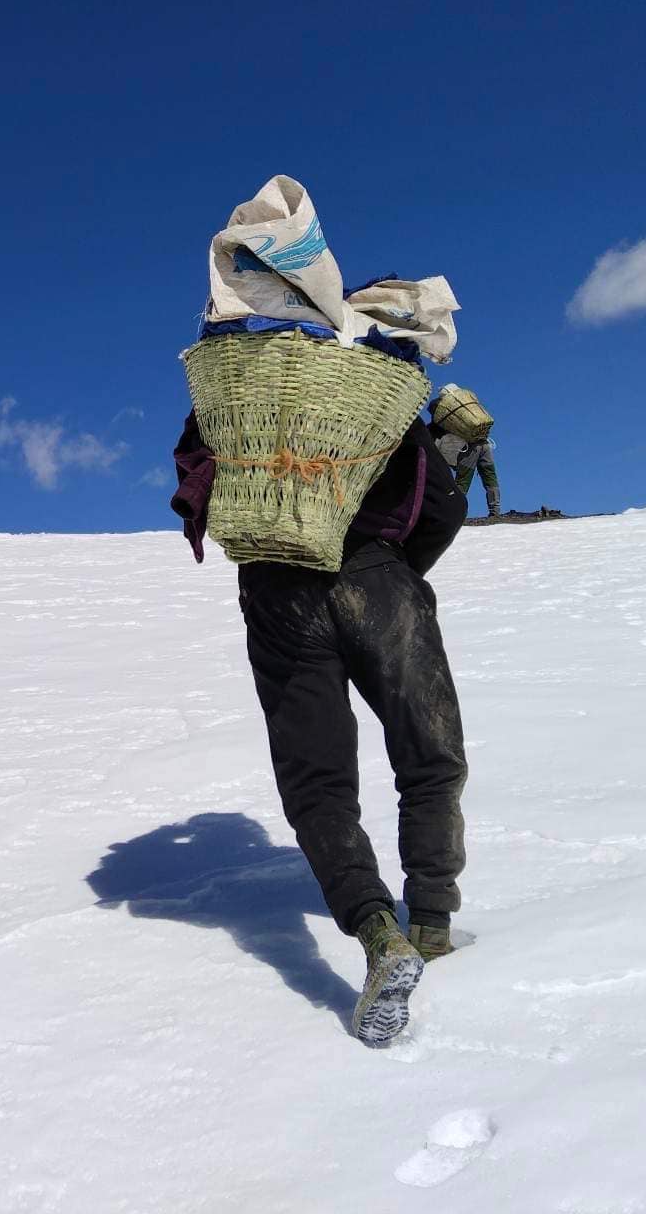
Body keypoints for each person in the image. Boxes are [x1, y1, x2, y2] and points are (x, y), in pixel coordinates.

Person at [172, 410, 469, 1046]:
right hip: (376, 573)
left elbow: (200, 487)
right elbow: (443, 503)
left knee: (318, 782)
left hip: (277, 594)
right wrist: (394, 566)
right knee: (429, 752)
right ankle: (431, 924)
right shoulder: (372, 393)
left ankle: (378, 934)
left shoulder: (231, 400)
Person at [432, 413, 500, 517]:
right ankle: (495, 511)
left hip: (471, 447)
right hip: (485, 444)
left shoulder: (446, 423)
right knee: (491, 478)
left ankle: (454, 512)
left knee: (462, 482)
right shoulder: (470, 415)